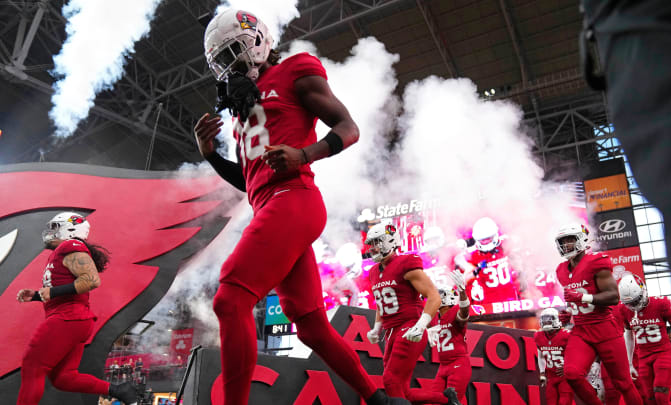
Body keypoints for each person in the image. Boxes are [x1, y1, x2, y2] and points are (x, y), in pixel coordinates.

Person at [194, 9, 408, 405]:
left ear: (257, 42)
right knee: (311, 327)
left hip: (294, 198)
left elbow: (349, 128)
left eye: (233, 54)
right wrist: (210, 156)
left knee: (230, 299)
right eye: (221, 62)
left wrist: (304, 154)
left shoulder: (295, 70)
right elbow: (250, 181)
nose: (229, 68)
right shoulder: (246, 107)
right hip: (273, 206)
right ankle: (379, 399)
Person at [578, 0, 671, 398]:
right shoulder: (629, 309)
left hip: (646, 22)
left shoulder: (655, 303)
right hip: (642, 357)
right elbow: (626, 337)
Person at [15, 212, 136, 405]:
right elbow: (68, 288)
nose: (50, 232)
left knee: (32, 367)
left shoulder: (70, 246)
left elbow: (91, 280)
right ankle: (119, 390)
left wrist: (52, 293)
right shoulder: (64, 251)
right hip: (75, 319)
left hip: (67, 318)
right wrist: (38, 296)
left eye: (56, 227)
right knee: (64, 377)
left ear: (70, 229)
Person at [364, 223, 460, 405]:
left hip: (409, 326)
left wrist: (421, 325)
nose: (373, 247)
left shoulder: (406, 263)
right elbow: (381, 302)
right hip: (391, 331)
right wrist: (377, 328)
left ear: (390, 241)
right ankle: (448, 401)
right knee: (403, 391)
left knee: (390, 379)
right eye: (371, 243)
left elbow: (433, 296)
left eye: (377, 242)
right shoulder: (374, 272)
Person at [553, 223, 642, 405]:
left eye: (570, 240)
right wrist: (569, 312)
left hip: (605, 329)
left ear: (582, 239)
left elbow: (613, 296)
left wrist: (582, 297)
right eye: (563, 242)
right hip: (582, 330)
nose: (566, 245)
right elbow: (576, 300)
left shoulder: (596, 261)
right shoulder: (561, 270)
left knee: (623, 383)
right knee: (572, 374)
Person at [617, 274, 671, 405]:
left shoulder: (659, 304)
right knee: (650, 400)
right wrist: (629, 363)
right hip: (643, 357)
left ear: (643, 290)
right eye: (629, 303)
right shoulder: (624, 310)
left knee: (661, 396)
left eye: (635, 301)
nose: (633, 306)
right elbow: (628, 337)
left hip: (663, 354)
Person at [425, 269, 472, 403]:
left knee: (453, 402)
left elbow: (464, 314)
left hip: (458, 364)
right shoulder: (437, 317)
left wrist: (462, 292)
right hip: (443, 366)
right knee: (434, 401)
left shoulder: (454, 311)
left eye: (438, 296)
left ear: (447, 298)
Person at [454, 217, 520, 307]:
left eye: (488, 238)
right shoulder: (473, 256)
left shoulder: (506, 245)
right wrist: (475, 271)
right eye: (482, 240)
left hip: (510, 299)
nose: (485, 242)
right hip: (488, 303)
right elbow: (462, 281)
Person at [534, 308, 573, 405]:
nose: (546, 321)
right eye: (544, 319)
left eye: (549, 319)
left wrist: (568, 367)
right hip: (551, 377)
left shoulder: (567, 335)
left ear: (557, 319)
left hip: (565, 376)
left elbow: (576, 355)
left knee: (564, 402)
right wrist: (542, 373)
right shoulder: (538, 336)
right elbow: (541, 356)